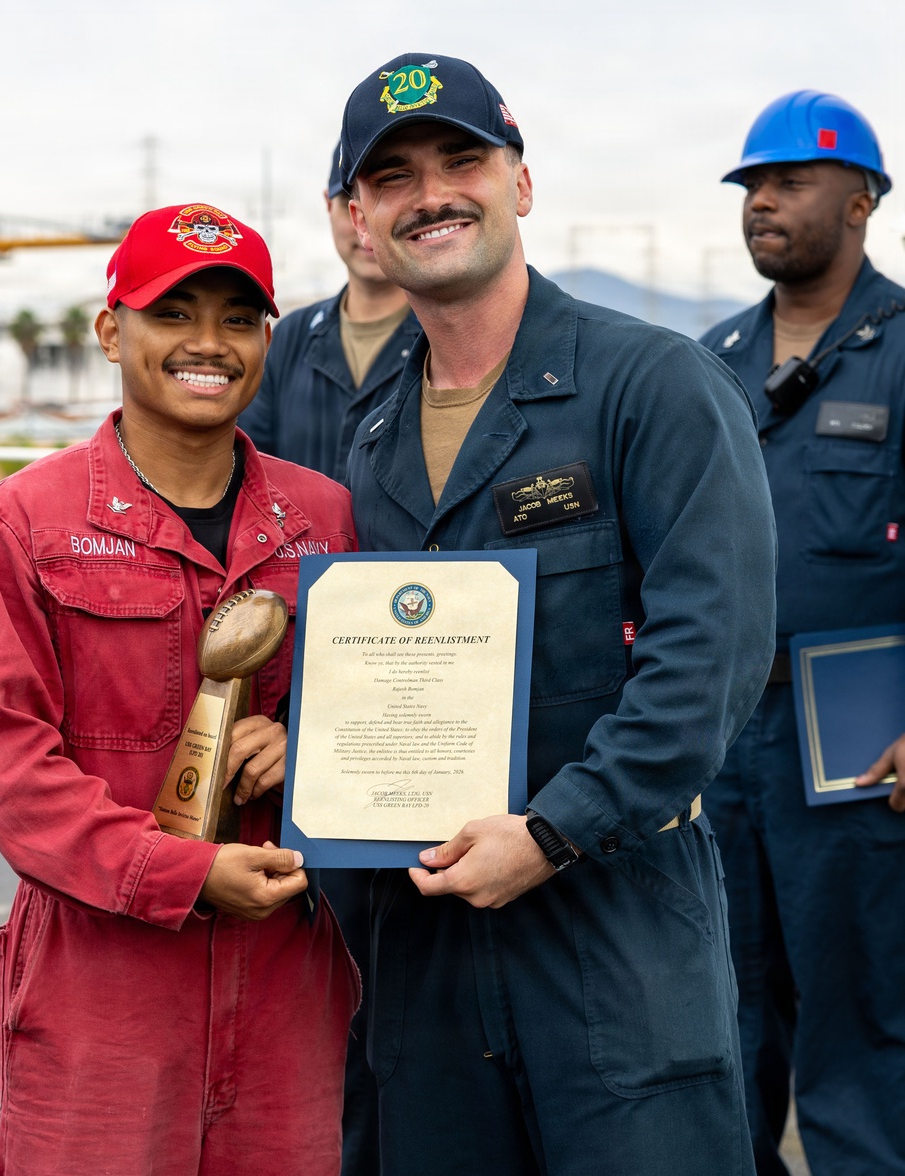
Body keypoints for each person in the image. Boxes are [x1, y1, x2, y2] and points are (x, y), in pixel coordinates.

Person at [339, 52, 777, 1176]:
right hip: (426, 935)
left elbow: (708, 657)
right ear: (357, 217)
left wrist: (550, 831)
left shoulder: (652, 385)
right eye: (391, 176)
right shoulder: (373, 436)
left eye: (460, 159)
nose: (429, 192)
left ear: (520, 184)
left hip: (611, 919)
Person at [0, 203, 360, 1176]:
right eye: (175, 314)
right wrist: (177, 872)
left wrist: (312, 746)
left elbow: (375, 704)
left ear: (267, 338)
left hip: (293, 980)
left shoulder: (327, 519)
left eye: (238, 318)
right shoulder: (19, 526)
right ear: (112, 329)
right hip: (101, 978)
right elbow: (2, 762)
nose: (208, 344)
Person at [700, 91, 905, 1176]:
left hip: (862, 747)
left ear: (862, 199)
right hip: (727, 738)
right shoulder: (712, 360)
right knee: (722, 1013)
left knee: (858, 1010)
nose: (761, 201)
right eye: (749, 186)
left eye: (786, 181)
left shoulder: (901, 347)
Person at [240, 145, 418, 1176]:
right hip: (280, 713)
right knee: (312, 1001)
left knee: (404, 990)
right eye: (355, 195)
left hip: (407, 699)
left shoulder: (452, 342)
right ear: (337, 212)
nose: (368, 218)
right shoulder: (289, 342)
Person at [239, 145, 419, 484]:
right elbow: (248, 472)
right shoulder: (289, 337)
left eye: (383, 199)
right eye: (351, 204)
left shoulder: (445, 337)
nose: (365, 225)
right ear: (329, 205)